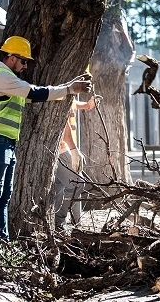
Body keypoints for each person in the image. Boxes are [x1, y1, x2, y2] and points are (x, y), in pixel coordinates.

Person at [0, 35, 92, 250]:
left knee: (4, 195)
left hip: (6, 144)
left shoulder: (11, 82)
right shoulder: (3, 77)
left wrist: (69, 87)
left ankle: (2, 241)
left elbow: (37, 94)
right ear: (11, 58)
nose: (25, 65)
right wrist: (69, 89)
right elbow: (35, 92)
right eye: (23, 61)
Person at [54, 95, 97, 230]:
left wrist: (87, 105)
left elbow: (74, 103)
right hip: (62, 149)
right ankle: (59, 221)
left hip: (65, 149)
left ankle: (76, 224)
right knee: (77, 183)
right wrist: (74, 150)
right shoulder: (60, 93)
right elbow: (65, 130)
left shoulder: (69, 95)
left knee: (61, 187)